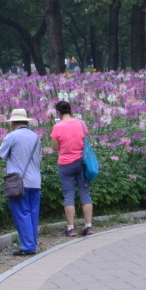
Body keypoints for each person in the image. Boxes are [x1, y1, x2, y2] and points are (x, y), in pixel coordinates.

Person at [0, 108, 42, 256]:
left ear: (13, 122)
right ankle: (32, 243)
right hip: (35, 181)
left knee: (22, 213)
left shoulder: (12, 136)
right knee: (33, 213)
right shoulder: (36, 137)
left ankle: (28, 247)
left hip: (18, 182)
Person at [50, 100, 93, 236]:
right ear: (70, 110)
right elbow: (84, 138)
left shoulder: (57, 127)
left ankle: (70, 228)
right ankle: (88, 226)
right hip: (81, 162)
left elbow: (56, 147)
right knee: (85, 193)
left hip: (65, 164)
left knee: (68, 195)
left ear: (58, 112)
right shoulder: (81, 123)